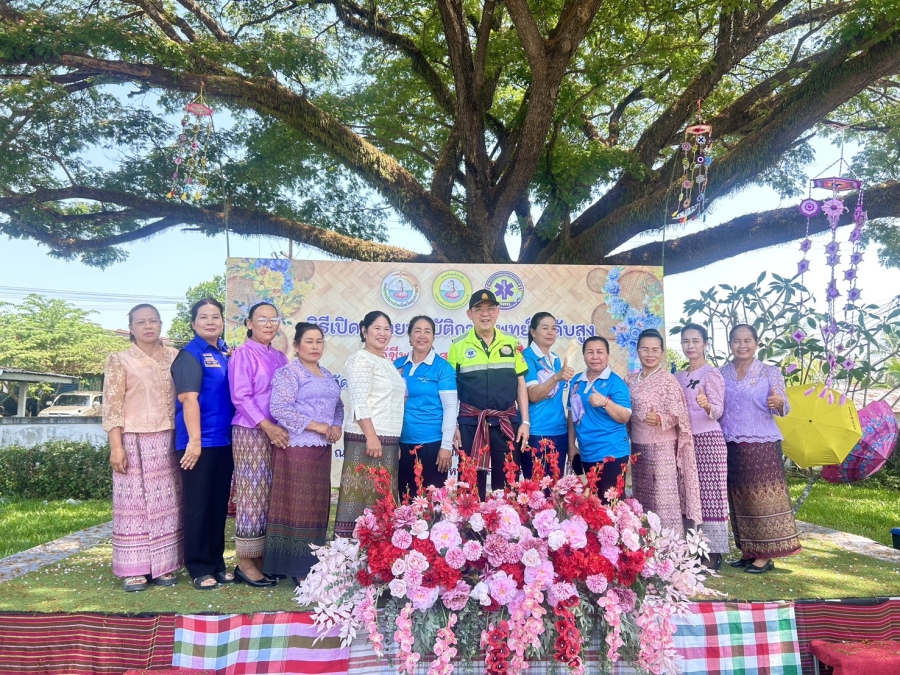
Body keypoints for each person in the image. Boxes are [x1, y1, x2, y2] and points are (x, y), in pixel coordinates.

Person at [103, 304, 182, 592]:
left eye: (153, 321)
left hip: (169, 439)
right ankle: (134, 569)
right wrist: (116, 447)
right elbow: (111, 407)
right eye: (140, 322)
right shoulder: (120, 359)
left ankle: (165, 566)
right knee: (134, 506)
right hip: (133, 440)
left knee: (167, 505)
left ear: (161, 324)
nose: (148, 326)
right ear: (131, 328)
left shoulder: (175, 356)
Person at [265, 323, 343, 587]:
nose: (315, 347)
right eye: (309, 342)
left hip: (322, 450)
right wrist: (318, 426)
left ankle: (314, 563)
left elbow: (339, 407)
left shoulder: (327, 374)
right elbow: (280, 409)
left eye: (319, 342)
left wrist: (336, 426)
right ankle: (296, 568)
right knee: (297, 508)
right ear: (297, 346)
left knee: (317, 507)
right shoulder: (289, 373)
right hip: (296, 448)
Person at [720, 323, 800, 574]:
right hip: (730, 443)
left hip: (762, 445)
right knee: (739, 499)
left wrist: (778, 402)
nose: (742, 345)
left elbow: (783, 406)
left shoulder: (769, 372)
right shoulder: (722, 373)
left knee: (763, 499)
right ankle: (748, 550)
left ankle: (765, 555)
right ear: (730, 344)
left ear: (756, 344)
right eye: (736, 341)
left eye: (747, 340)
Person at [171, 298, 236, 590]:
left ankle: (216, 562)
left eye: (215, 317)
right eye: (203, 317)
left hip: (224, 441)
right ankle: (198, 567)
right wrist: (194, 443)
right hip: (199, 443)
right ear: (193, 323)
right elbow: (188, 399)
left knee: (218, 505)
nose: (210, 322)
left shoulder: (224, 352)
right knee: (197, 505)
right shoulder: (190, 354)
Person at [227, 301, 289, 587]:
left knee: (270, 495)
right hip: (251, 431)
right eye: (261, 319)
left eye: (273, 319)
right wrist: (267, 426)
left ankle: (262, 556)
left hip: (278, 433)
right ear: (249, 324)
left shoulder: (280, 357)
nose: (268, 324)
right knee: (252, 493)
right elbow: (241, 397)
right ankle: (245, 562)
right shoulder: (242, 354)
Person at [448, 289, 530, 500]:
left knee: (508, 483)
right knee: (469, 484)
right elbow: (451, 390)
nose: (485, 314)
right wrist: (453, 426)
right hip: (470, 424)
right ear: (470, 314)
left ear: (497, 312)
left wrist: (525, 422)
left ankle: (505, 528)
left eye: (490, 309)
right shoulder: (457, 346)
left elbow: (521, 383)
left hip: (506, 423)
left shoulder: (511, 344)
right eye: (479, 309)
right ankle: (470, 530)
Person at [334, 311, 406, 538]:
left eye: (387, 329)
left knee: (382, 502)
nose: (382, 333)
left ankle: (377, 560)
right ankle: (350, 557)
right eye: (377, 328)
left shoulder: (386, 362)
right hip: (366, 439)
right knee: (358, 501)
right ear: (364, 331)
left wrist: (394, 440)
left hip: (388, 440)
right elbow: (359, 402)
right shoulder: (360, 359)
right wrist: (371, 436)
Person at [626, 329, 703, 536]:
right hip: (638, 448)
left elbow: (680, 415)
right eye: (645, 349)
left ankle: (670, 550)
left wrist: (660, 419)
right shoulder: (630, 380)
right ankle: (645, 549)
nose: (650, 354)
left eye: (655, 349)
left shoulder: (668, 380)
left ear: (661, 352)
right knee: (642, 498)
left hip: (662, 449)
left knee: (663, 500)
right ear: (637, 351)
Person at [675, 323, 730, 570]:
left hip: (709, 440)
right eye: (686, 341)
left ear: (705, 343)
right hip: (685, 441)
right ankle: (693, 549)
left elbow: (718, 411)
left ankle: (714, 553)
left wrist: (707, 404)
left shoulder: (712, 374)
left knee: (712, 496)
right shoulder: (677, 376)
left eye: (696, 341)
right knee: (690, 494)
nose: (690, 346)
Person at [393, 316, 457, 498]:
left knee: (432, 504)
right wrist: (393, 442)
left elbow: (451, 408)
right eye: (417, 330)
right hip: (402, 445)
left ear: (434, 337)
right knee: (406, 501)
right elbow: (390, 406)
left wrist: (446, 446)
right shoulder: (397, 365)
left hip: (433, 445)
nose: (422, 335)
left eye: (427, 331)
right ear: (409, 335)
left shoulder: (442, 368)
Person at [567, 337, 632, 501]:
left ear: (607, 355)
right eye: (590, 352)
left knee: (612, 507)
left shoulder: (616, 383)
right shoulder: (576, 382)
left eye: (600, 352)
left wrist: (605, 402)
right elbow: (571, 415)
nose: (595, 356)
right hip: (587, 453)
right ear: (583, 356)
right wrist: (570, 445)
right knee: (592, 506)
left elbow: (625, 416)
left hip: (612, 453)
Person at [522, 312, 575, 478]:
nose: (551, 332)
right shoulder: (527, 357)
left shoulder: (555, 358)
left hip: (559, 431)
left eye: (554, 328)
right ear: (533, 331)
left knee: (556, 489)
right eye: (545, 328)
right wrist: (557, 376)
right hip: (537, 431)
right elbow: (533, 395)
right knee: (537, 491)